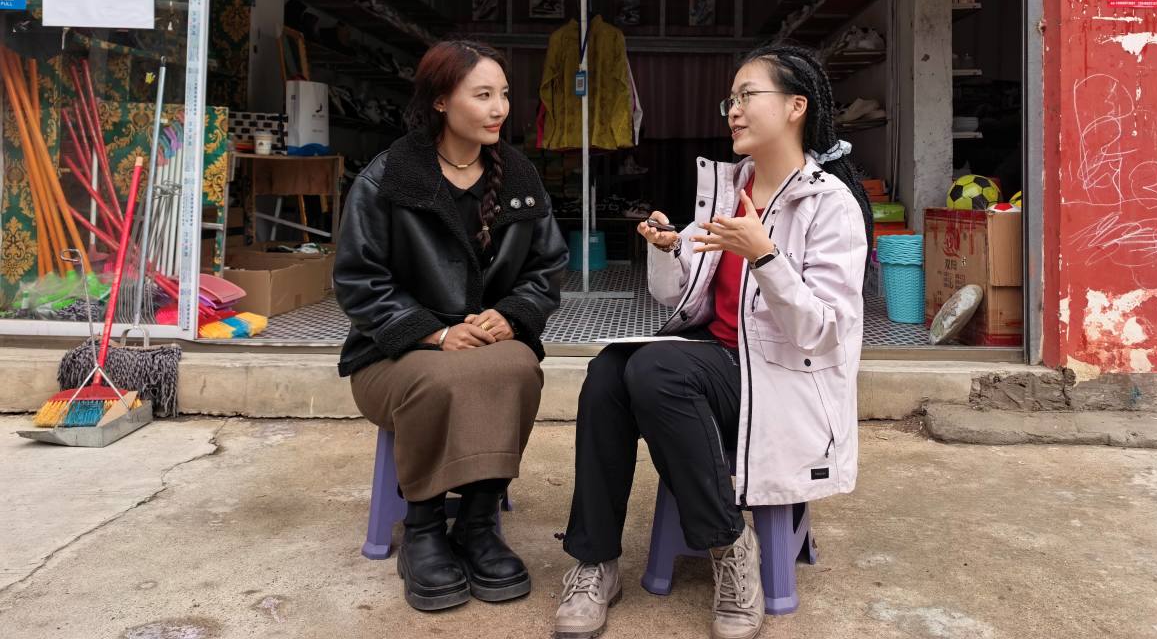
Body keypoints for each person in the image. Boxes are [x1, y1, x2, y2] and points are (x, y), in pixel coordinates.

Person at [554, 43, 872, 639]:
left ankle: (730, 546)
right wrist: (668, 249)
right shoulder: (730, 190)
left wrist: (765, 256)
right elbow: (680, 300)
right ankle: (594, 560)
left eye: (748, 95)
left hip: (781, 379)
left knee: (657, 370)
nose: (734, 110)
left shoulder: (829, 205)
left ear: (796, 106)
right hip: (719, 362)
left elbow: (823, 332)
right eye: (731, 100)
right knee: (607, 373)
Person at [334, 40, 568, 613]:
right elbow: (359, 280)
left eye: (503, 94)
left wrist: (512, 315)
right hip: (392, 352)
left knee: (518, 368)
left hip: (489, 342)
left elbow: (547, 267)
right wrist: (434, 334)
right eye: (482, 95)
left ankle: (478, 524)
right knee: (441, 378)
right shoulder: (389, 177)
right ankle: (423, 529)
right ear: (441, 101)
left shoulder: (518, 175)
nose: (499, 108)